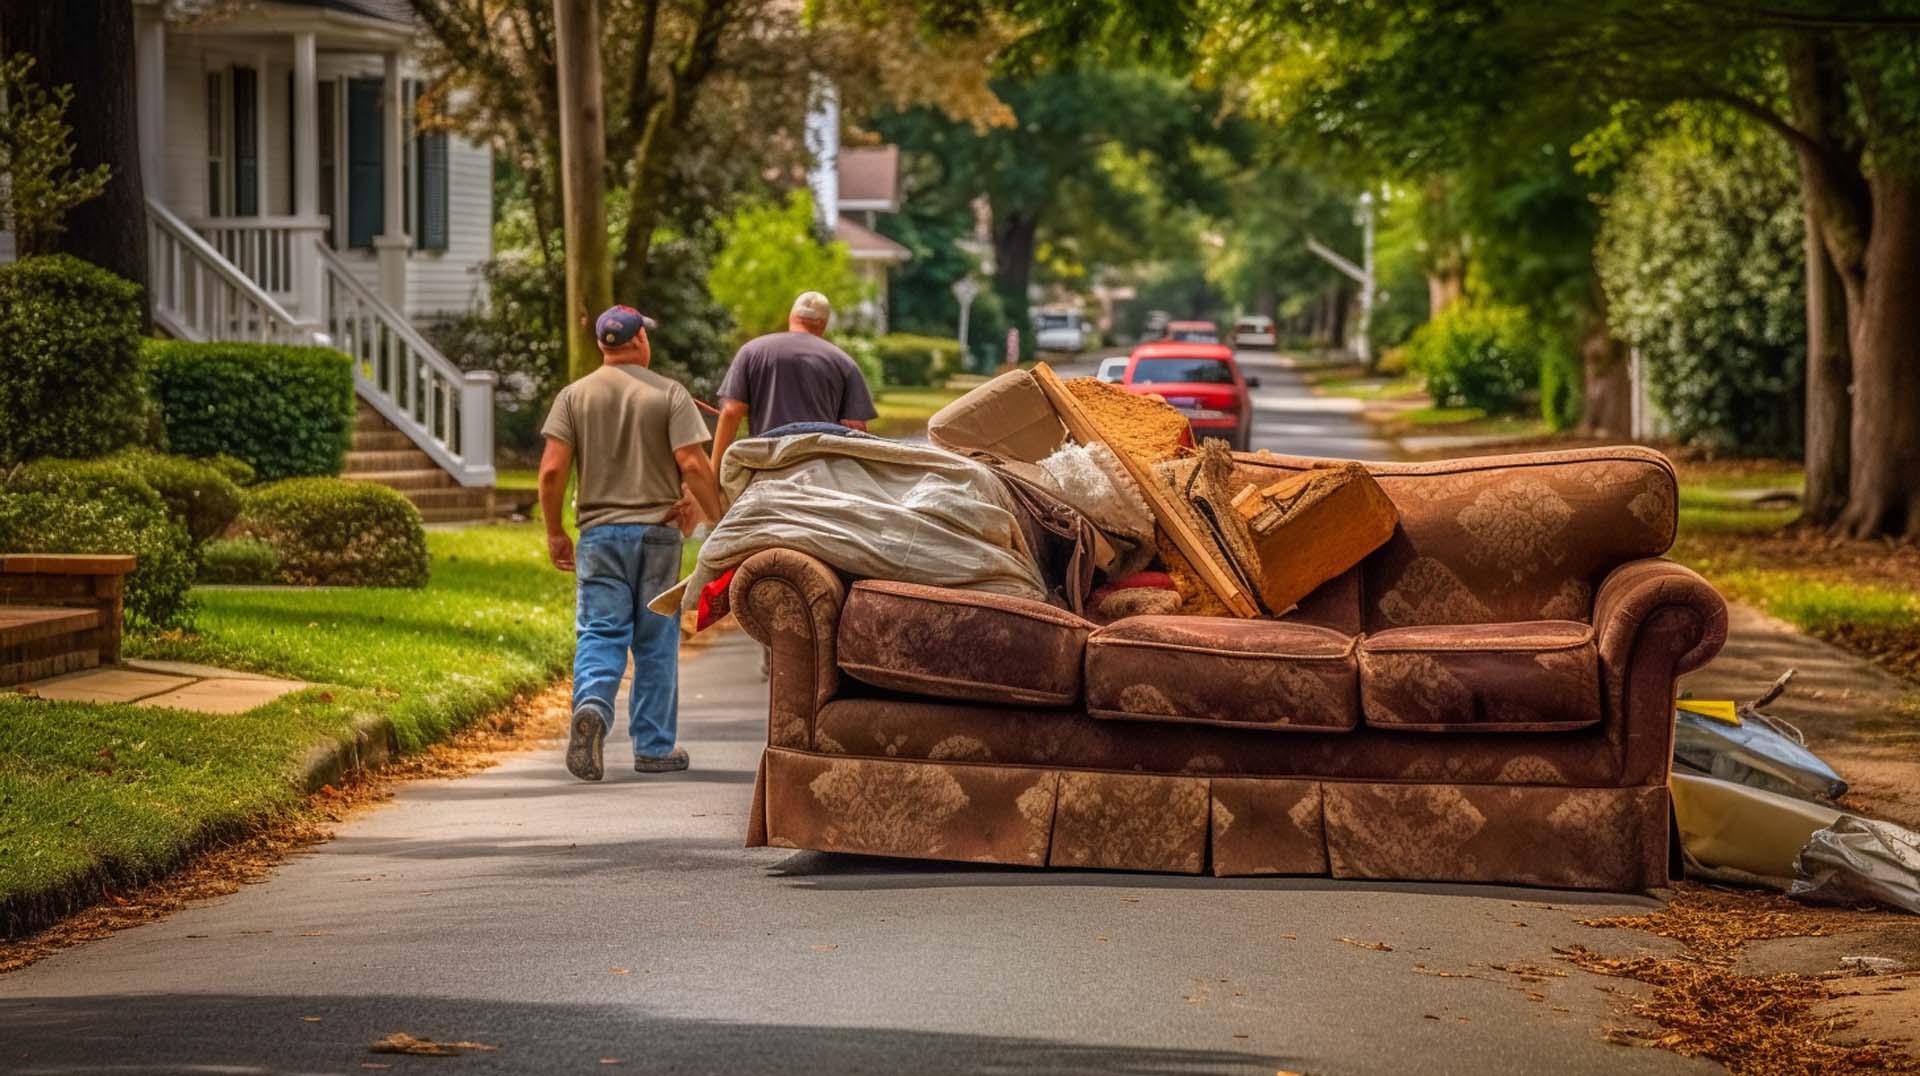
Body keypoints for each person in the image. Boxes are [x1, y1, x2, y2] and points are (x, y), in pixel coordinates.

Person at [539, 305, 723, 781]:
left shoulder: (573, 396)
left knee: (601, 631)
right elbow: (694, 465)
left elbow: (553, 469)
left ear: (604, 345)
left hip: (599, 535)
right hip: (658, 534)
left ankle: (594, 709)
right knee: (656, 639)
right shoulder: (670, 393)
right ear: (640, 340)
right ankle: (654, 746)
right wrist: (721, 521)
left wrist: (555, 530)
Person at [709, 290, 878, 469]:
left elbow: (731, 411)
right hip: (821, 468)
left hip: (765, 464)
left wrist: (714, 475)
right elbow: (856, 428)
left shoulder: (752, 351)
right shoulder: (844, 362)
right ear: (824, 324)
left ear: (792, 316)